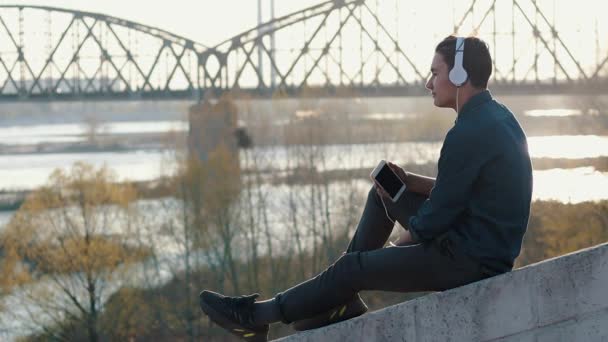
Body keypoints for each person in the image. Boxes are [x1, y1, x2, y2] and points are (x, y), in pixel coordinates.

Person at [198, 35, 533, 341]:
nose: (428, 83)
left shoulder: (467, 133)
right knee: (384, 192)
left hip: (467, 262)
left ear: (460, 75)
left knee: (353, 268)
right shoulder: (497, 117)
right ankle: (338, 300)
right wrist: (411, 182)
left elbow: (433, 221)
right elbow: (462, 191)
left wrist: (385, 256)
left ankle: (257, 318)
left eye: (435, 73)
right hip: (478, 247)